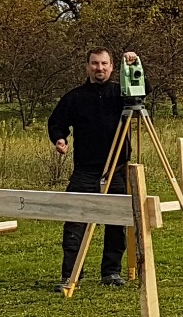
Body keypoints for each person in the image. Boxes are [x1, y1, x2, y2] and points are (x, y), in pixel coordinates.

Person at [47, 47, 140, 287]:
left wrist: (133, 65)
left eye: (104, 64)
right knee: (75, 221)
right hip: (86, 170)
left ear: (112, 66)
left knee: (116, 222)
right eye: (95, 63)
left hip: (117, 168)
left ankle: (111, 272)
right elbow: (57, 122)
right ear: (87, 66)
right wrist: (59, 139)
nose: (100, 68)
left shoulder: (121, 93)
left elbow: (143, 92)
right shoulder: (75, 97)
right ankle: (71, 274)